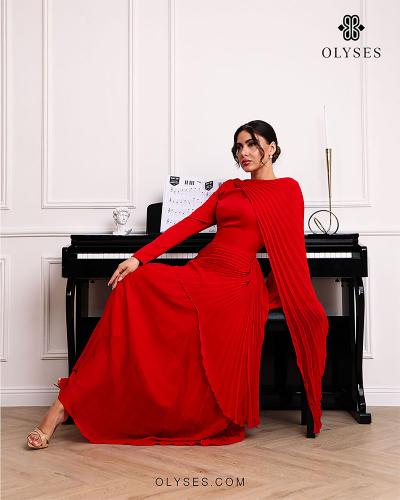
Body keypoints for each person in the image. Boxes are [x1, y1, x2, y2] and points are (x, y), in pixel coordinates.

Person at [26, 120, 328, 449]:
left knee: (188, 322)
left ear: (271, 148)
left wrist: (301, 302)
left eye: (252, 144)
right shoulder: (230, 189)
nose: (244, 152)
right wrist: (139, 257)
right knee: (134, 285)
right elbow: (189, 224)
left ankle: (67, 408)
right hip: (204, 268)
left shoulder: (288, 190)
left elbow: (292, 252)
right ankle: (67, 403)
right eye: (239, 147)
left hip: (238, 283)